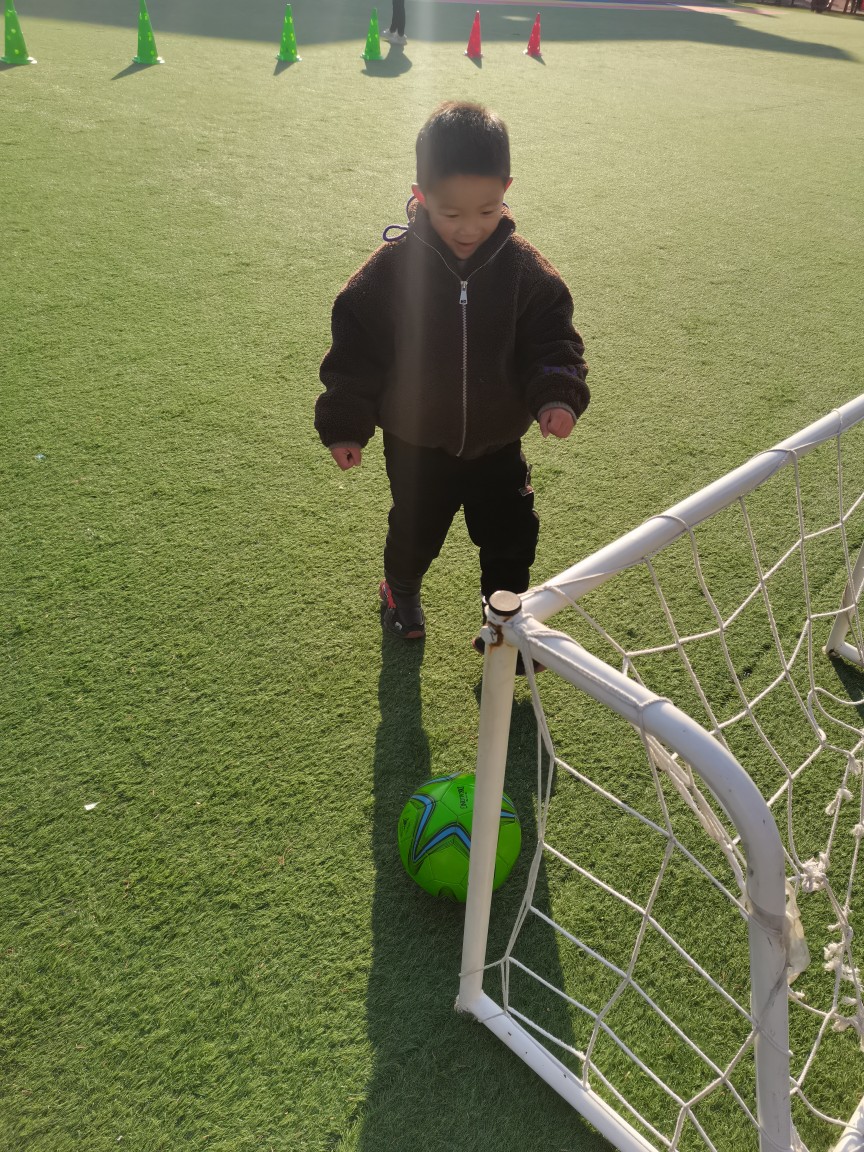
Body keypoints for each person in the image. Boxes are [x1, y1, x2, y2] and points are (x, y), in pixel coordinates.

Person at [315, 101, 589, 654]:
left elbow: (554, 340)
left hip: (498, 443)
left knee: (512, 536)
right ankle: (400, 590)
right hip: (415, 444)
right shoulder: (389, 273)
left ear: (506, 189)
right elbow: (355, 354)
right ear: (420, 196)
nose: (469, 228)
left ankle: (505, 624)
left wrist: (556, 393)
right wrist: (345, 421)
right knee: (415, 532)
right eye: (450, 212)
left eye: (486, 210)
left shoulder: (525, 271)